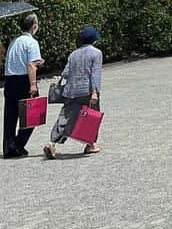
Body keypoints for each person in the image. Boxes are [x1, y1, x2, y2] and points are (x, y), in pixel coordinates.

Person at [43, 25, 103, 159]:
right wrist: (95, 92)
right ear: (94, 39)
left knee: (64, 117)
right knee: (91, 117)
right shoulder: (96, 53)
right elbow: (95, 74)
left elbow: (65, 73)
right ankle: (90, 145)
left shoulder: (73, 54)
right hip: (87, 90)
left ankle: (51, 143)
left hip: (71, 90)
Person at [3, 12, 44, 159]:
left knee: (10, 116)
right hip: (24, 81)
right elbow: (31, 65)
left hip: (10, 80)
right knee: (33, 114)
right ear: (34, 26)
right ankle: (18, 144)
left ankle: (8, 146)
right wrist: (33, 85)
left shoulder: (14, 41)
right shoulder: (31, 42)